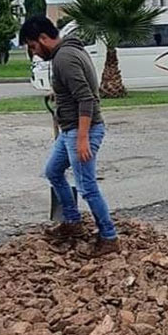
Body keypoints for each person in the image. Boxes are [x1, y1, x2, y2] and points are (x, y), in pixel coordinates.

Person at [19, 15, 120, 256]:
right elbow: (75, 88)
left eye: (33, 46)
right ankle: (73, 222)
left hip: (82, 129)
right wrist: (59, 94)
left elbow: (86, 98)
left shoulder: (64, 58)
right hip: (70, 129)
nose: (34, 53)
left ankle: (109, 237)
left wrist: (82, 139)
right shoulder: (68, 51)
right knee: (53, 171)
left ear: (43, 38)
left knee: (87, 186)